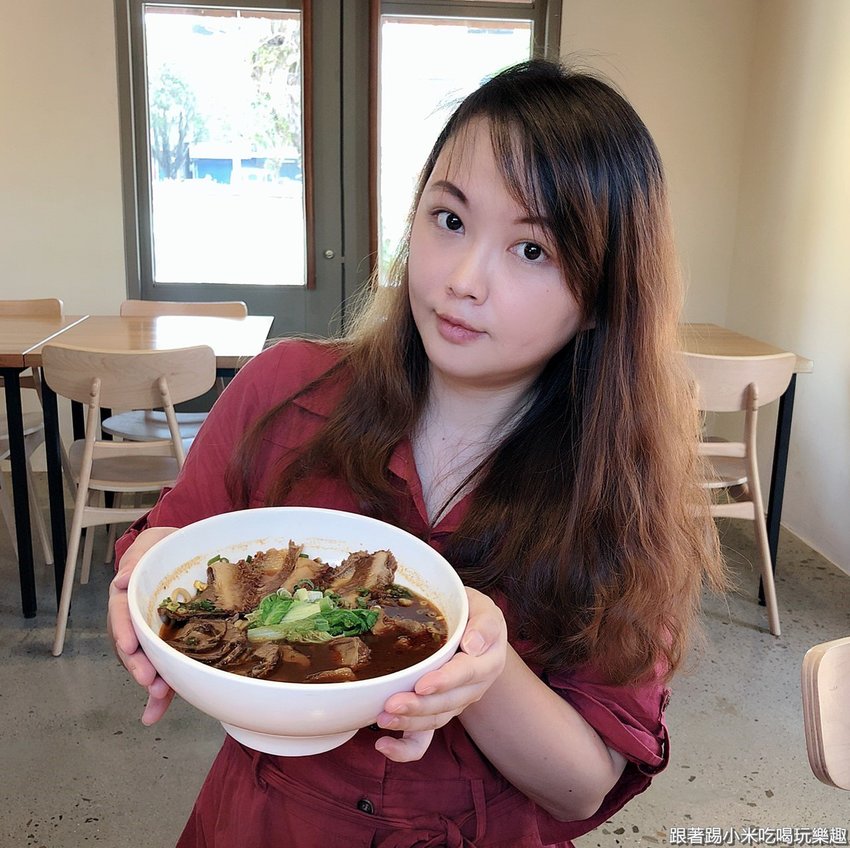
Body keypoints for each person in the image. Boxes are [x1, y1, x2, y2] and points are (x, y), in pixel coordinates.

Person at [107, 59, 725, 847]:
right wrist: (145, 566)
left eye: (532, 250)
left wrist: (483, 659)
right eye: (450, 219)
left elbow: (581, 788)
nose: (463, 280)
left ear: (603, 297)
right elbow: (169, 553)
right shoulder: (282, 392)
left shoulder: (618, 494)